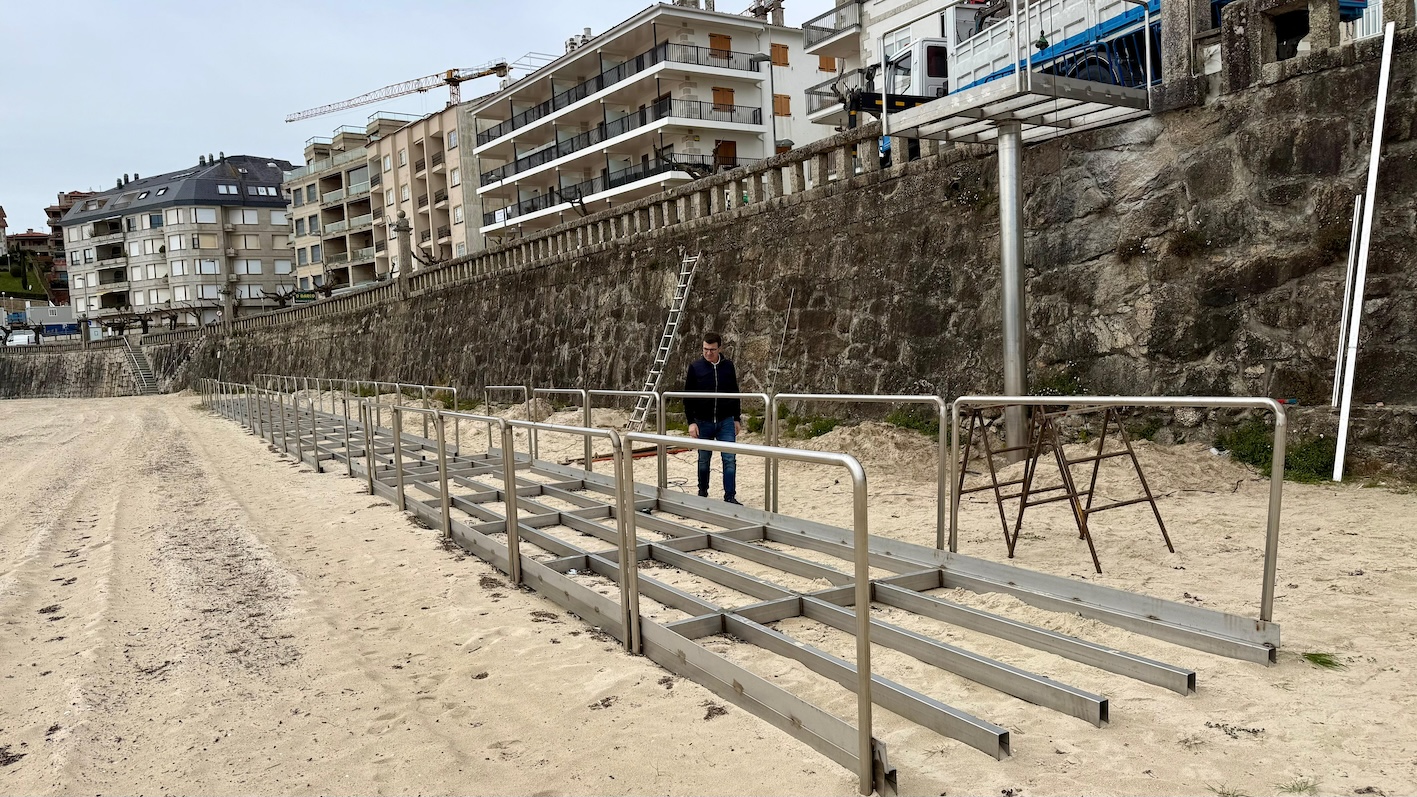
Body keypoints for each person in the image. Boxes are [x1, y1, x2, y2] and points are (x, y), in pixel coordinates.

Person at [683, 332, 742, 504]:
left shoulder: (728, 366)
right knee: (703, 459)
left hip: (726, 420)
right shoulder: (695, 367)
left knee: (729, 459)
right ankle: (703, 492)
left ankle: (730, 496)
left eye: (712, 350)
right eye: (705, 349)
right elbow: (687, 397)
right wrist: (691, 422)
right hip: (703, 421)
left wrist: (736, 418)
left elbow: (734, 393)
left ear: (719, 349)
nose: (708, 353)